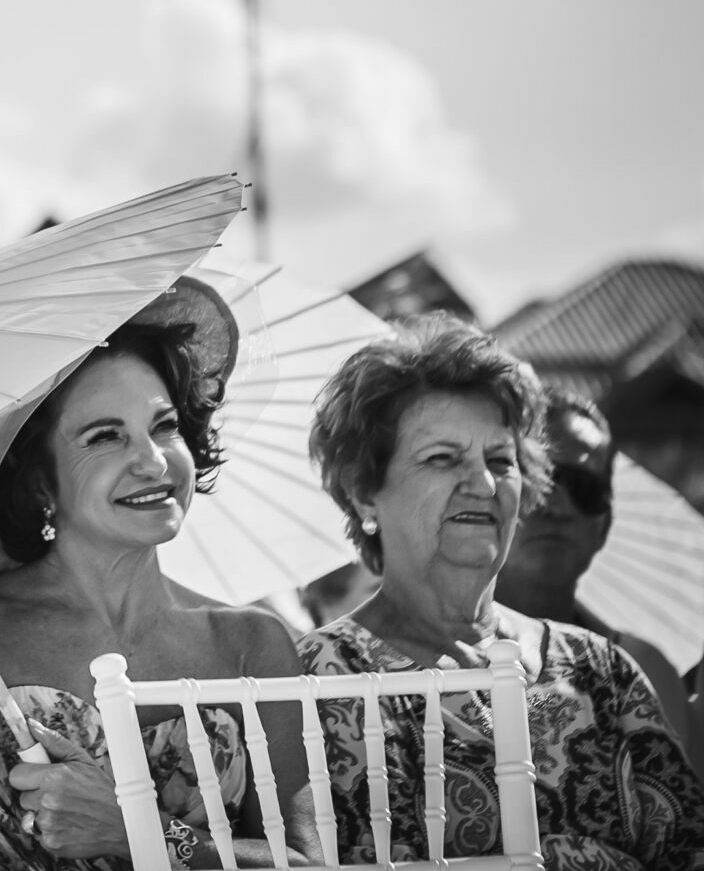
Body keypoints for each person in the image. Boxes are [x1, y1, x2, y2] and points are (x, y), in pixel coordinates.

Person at [0, 280, 320, 871]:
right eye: (106, 436)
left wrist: (138, 831)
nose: (153, 460)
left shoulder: (252, 642)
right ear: (40, 478)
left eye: (165, 426)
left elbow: (306, 862)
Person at [298, 315, 704, 868]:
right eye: (443, 458)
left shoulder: (600, 670)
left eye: (500, 461)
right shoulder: (314, 682)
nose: (484, 485)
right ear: (364, 492)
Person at [494, 388, 696, 762]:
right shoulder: (415, 659)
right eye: (541, 478)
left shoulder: (644, 672)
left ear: (604, 524)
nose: (559, 506)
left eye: (587, 489)